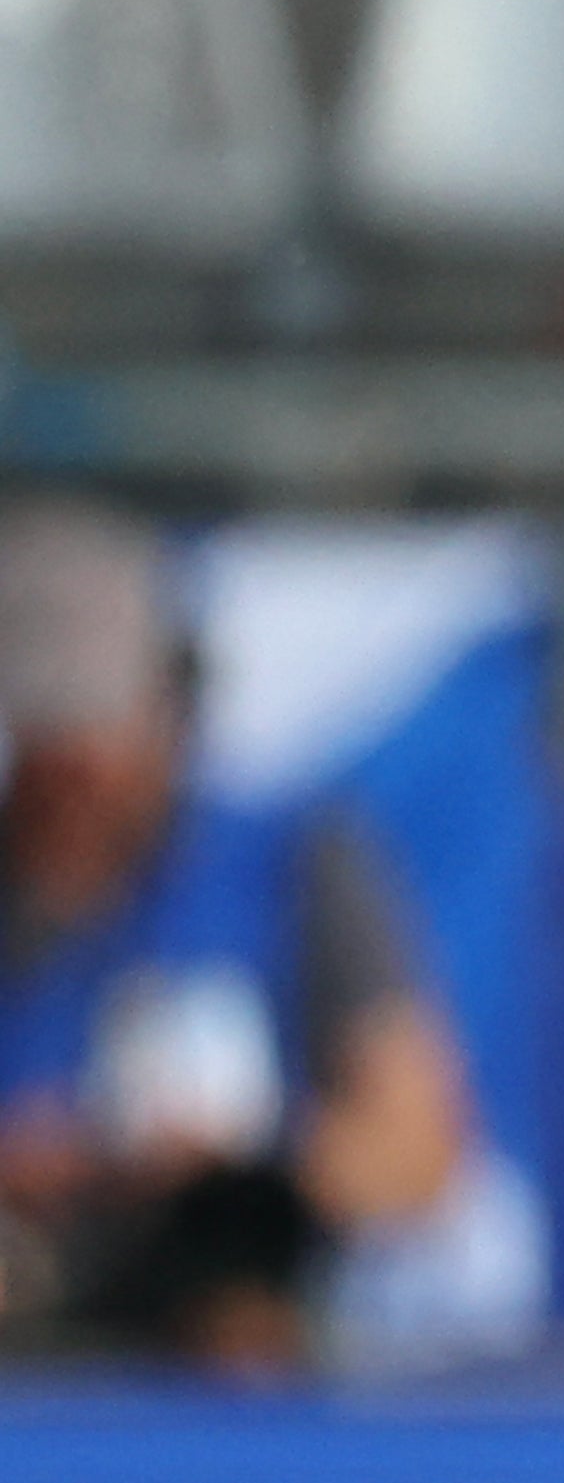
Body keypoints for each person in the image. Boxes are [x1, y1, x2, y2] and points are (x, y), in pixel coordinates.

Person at [0, 506, 488, 1374]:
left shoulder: (293, 864)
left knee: (237, 1304)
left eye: (96, 719)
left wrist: (233, 1171)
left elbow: (417, 1150)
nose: (70, 759)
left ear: (172, 705)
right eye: (42, 721)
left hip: (219, 1330)